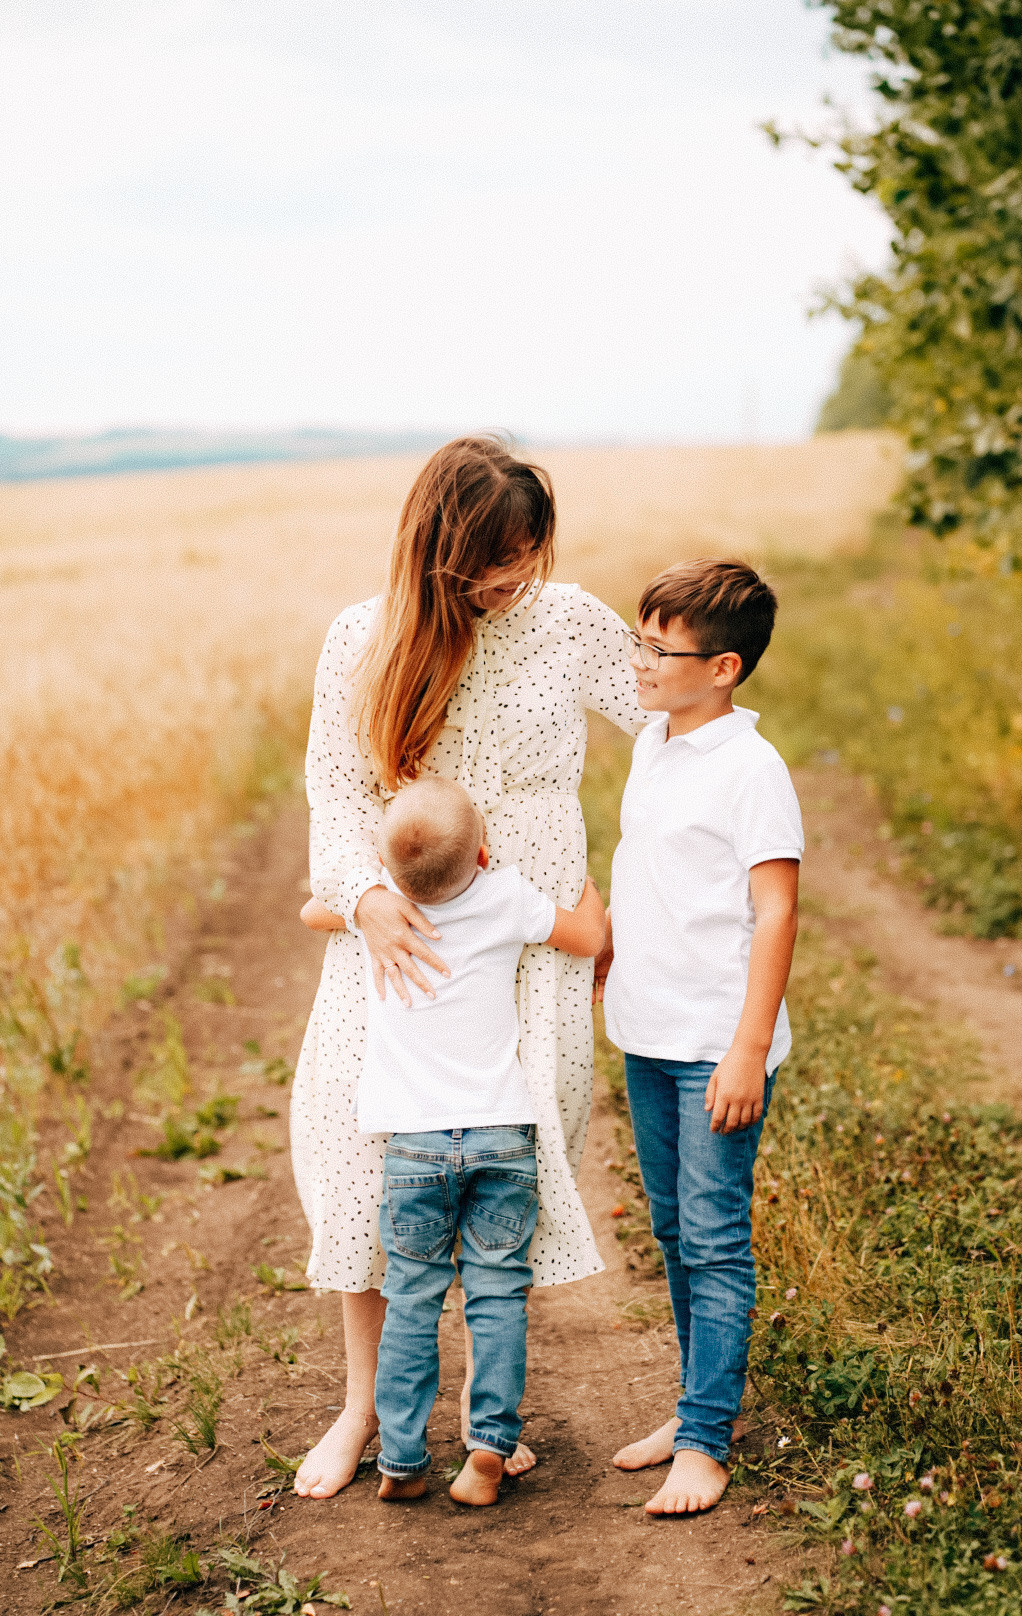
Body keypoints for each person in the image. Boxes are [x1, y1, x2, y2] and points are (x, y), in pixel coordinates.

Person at [290, 436, 643, 1499]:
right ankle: (363, 1406)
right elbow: (337, 788)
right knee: (360, 1148)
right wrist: (361, 898)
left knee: (516, 1150)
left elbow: (669, 714)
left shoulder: (571, 618)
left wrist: (666, 864)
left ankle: (490, 1418)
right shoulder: (365, 637)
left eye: (529, 554)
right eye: (495, 559)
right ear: (442, 551)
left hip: (532, 928)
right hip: (405, 925)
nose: (514, 579)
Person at [303, 776, 606, 1505]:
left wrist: (364, 888)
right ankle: (486, 1450)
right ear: (482, 848)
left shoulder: (384, 904)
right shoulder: (504, 897)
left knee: (410, 1297)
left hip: (413, 1149)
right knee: (498, 1295)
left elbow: (315, 908)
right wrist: (583, 879)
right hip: (502, 1134)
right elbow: (588, 934)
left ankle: (403, 1460)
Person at [596, 558, 803, 1518]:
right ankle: (695, 1412)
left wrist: (748, 1047)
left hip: (715, 1043)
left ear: (723, 667)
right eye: (640, 638)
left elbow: (775, 912)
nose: (638, 661)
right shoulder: (654, 743)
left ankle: (708, 1445)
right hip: (647, 1030)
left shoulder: (751, 770)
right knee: (676, 1232)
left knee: (715, 1239)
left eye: (658, 648)